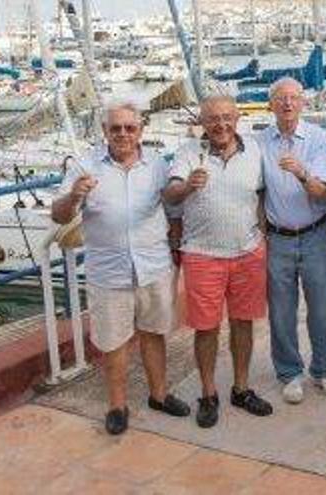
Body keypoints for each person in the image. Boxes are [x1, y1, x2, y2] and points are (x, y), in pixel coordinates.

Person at [52, 101, 190, 435]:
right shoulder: (84, 166)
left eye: (130, 128)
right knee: (113, 342)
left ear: (141, 130)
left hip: (153, 266)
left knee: (154, 333)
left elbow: (172, 211)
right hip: (108, 272)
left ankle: (159, 395)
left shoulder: (157, 165)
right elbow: (59, 216)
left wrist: (175, 251)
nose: (123, 134)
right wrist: (73, 196)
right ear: (104, 132)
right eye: (116, 128)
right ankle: (117, 405)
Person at [163, 95, 273, 428]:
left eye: (227, 117)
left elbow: (266, 193)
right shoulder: (187, 153)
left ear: (237, 117)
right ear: (202, 122)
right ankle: (208, 394)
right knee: (206, 328)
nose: (220, 124)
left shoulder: (255, 150)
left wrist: (263, 236)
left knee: (243, 323)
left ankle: (241, 389)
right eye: (212, 119)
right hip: (202, 254)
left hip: (247, 252)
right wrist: (186, 188)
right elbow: (169, 194)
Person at [258, 77, 326, 404]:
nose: (288, 104)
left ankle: (324, 370)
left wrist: (301, 172)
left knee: (320, 308)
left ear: (303, 103)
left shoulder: (319, 138)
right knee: (281, 312)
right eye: (281, 98)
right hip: (278, 239)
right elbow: (257, 190)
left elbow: (322, 190)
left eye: (293, 98)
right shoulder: (260, 142)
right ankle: (290, 373)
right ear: (271, 104)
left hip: (315, 235)